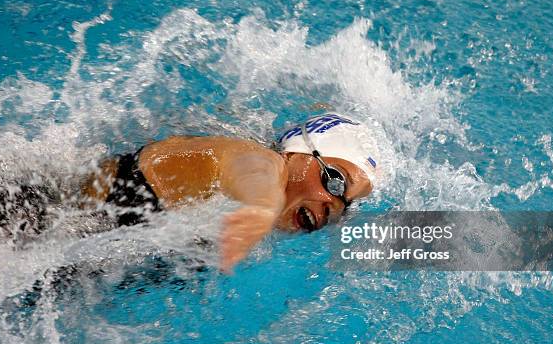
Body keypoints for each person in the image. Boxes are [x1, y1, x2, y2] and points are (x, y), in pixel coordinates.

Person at [81, 112, 381, 272]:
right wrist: (263, 205)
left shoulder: (242, 233)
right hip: (44, 219)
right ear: (300, 152)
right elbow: (248, 168)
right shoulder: (261, 159)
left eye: (347, 205)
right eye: (335, 180)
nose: (333, 205)